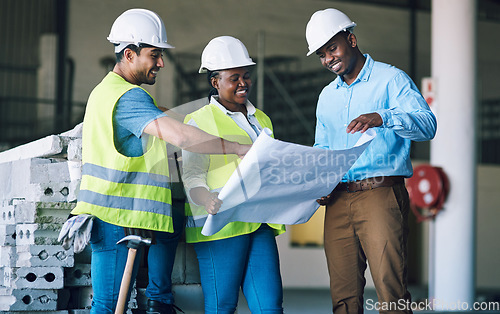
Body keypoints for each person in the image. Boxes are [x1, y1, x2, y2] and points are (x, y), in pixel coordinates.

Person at [69, 9, 250, 314]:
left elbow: (163, 116)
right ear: (129, 54)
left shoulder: (108, 93)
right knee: (107, 307)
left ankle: (159, 298)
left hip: (113, 217)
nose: (161, 63)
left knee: (108, 305)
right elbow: (181, 137)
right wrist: (234, 146)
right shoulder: (128, 97)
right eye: (154, 55)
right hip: (117, 220)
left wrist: (201, 116)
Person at [305, 8, 437, 314]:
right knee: (343, 299)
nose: (328, 59)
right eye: (322, 55)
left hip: (380, 194)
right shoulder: (326, 97)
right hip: (336, 200)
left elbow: (427, 125)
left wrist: (383, 116)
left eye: (332, 49)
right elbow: (323, 146)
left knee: (391, 295)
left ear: (351, 39)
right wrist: (320, 180)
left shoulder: (391, 80)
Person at [181, 36, 286, 314]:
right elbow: (191, 175)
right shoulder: (198, 121)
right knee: (221, 307)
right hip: (221, 225)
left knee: (270, 307)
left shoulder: (262, 120)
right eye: (234, 77)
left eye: (246, 76)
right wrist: (206, 199)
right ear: (215, 82)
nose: (243, 83)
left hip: (258, 221)